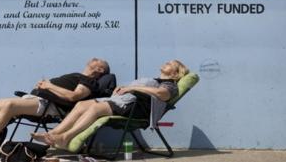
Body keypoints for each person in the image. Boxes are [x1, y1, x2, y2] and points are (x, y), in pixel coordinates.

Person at [0, 58, 110, 157]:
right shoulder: (77, 75)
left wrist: (48, 85)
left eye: (96, 60)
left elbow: (73, 97)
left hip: (49, 106)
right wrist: (45, 86)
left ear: (99, 69)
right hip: (37, 99)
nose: (91, 60)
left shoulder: (90, 82)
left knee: (10, 105)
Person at [31, 60, 189, 149]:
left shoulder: (170, 84)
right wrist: (122, 89)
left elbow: (163, 94)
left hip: (135, 108)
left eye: (170, 63)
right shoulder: (156, 80)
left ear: (175, 73)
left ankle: (66, 137)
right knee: (80, 105)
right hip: (122, 101)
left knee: (95, 108)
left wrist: (132, 87)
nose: (165, 63)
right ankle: (52, 135)